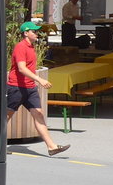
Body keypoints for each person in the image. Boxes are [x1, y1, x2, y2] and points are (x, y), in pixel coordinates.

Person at [6, 21, 70, 156]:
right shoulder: (20, 47)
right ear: (25, 33)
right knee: (5, 117)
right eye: (34, 31)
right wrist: (40, 79)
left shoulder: (31, 47)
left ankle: (52, 147)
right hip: (16, 87)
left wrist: (35, 81)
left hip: (30, 88)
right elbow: (21, 68)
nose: (36, 33)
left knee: (39, 115)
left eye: (36, 31)